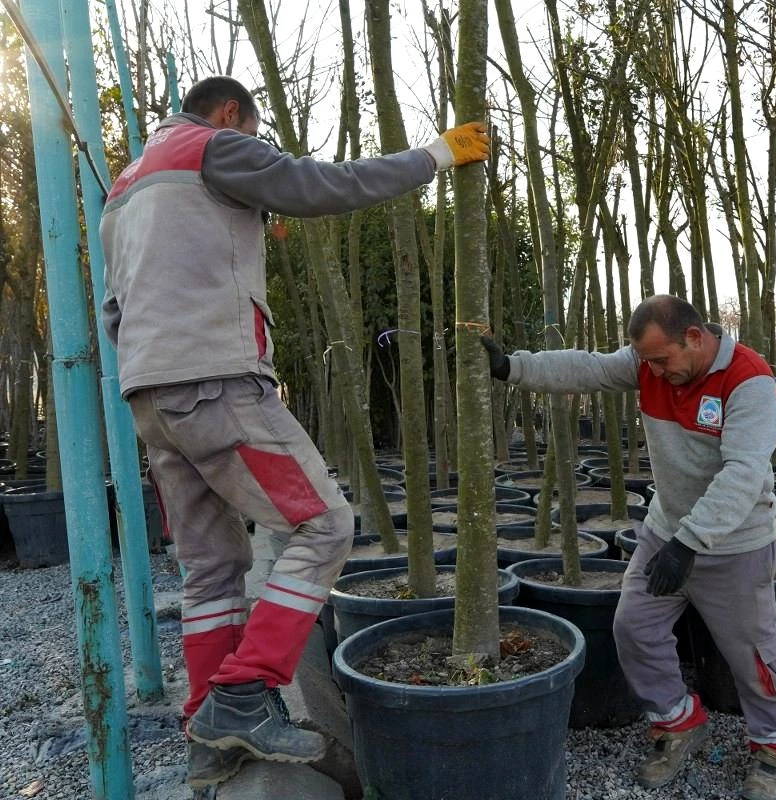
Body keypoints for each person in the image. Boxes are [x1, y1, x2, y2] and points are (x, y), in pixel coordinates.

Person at [99, 75, 489, 789]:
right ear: (229, 113)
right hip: (214, 382)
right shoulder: (213, 146)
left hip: (150, 395)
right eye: (253, 131)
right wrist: (436, 155)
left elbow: (115, 309)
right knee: (325, 526)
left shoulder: (125, 188)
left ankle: (207, 731)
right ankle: (245, 693)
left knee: (212, 567)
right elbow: (321, 184)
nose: (254, 149)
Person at [481, 294, 776, 800]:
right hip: (666, 528)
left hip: (734, 540)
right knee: (635, 626)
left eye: (661, 360)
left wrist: (690, 543)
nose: (651, 371)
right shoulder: (649, 363)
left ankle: (775, 744)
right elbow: (586, 368)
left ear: (694, 338)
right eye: (645, 361)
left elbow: (743, 475)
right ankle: (678, 722)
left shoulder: (749, 381)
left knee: (754, 651)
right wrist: (512, 367)